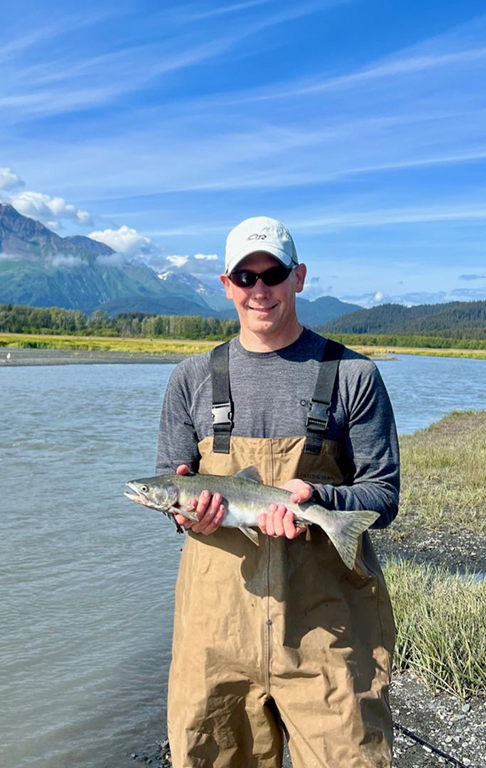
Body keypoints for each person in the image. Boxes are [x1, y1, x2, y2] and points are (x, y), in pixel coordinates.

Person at [155, 216, 400, 767]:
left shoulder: (352, 375)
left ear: (299, 277)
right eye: (245, 277)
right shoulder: (190, 379)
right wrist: (187, 516)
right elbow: (172, 487)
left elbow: (383, 497)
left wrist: (319, 500)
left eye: (273, 274)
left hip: (327, 633)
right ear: (226, 284)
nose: (259, 289)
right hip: (214, 637)